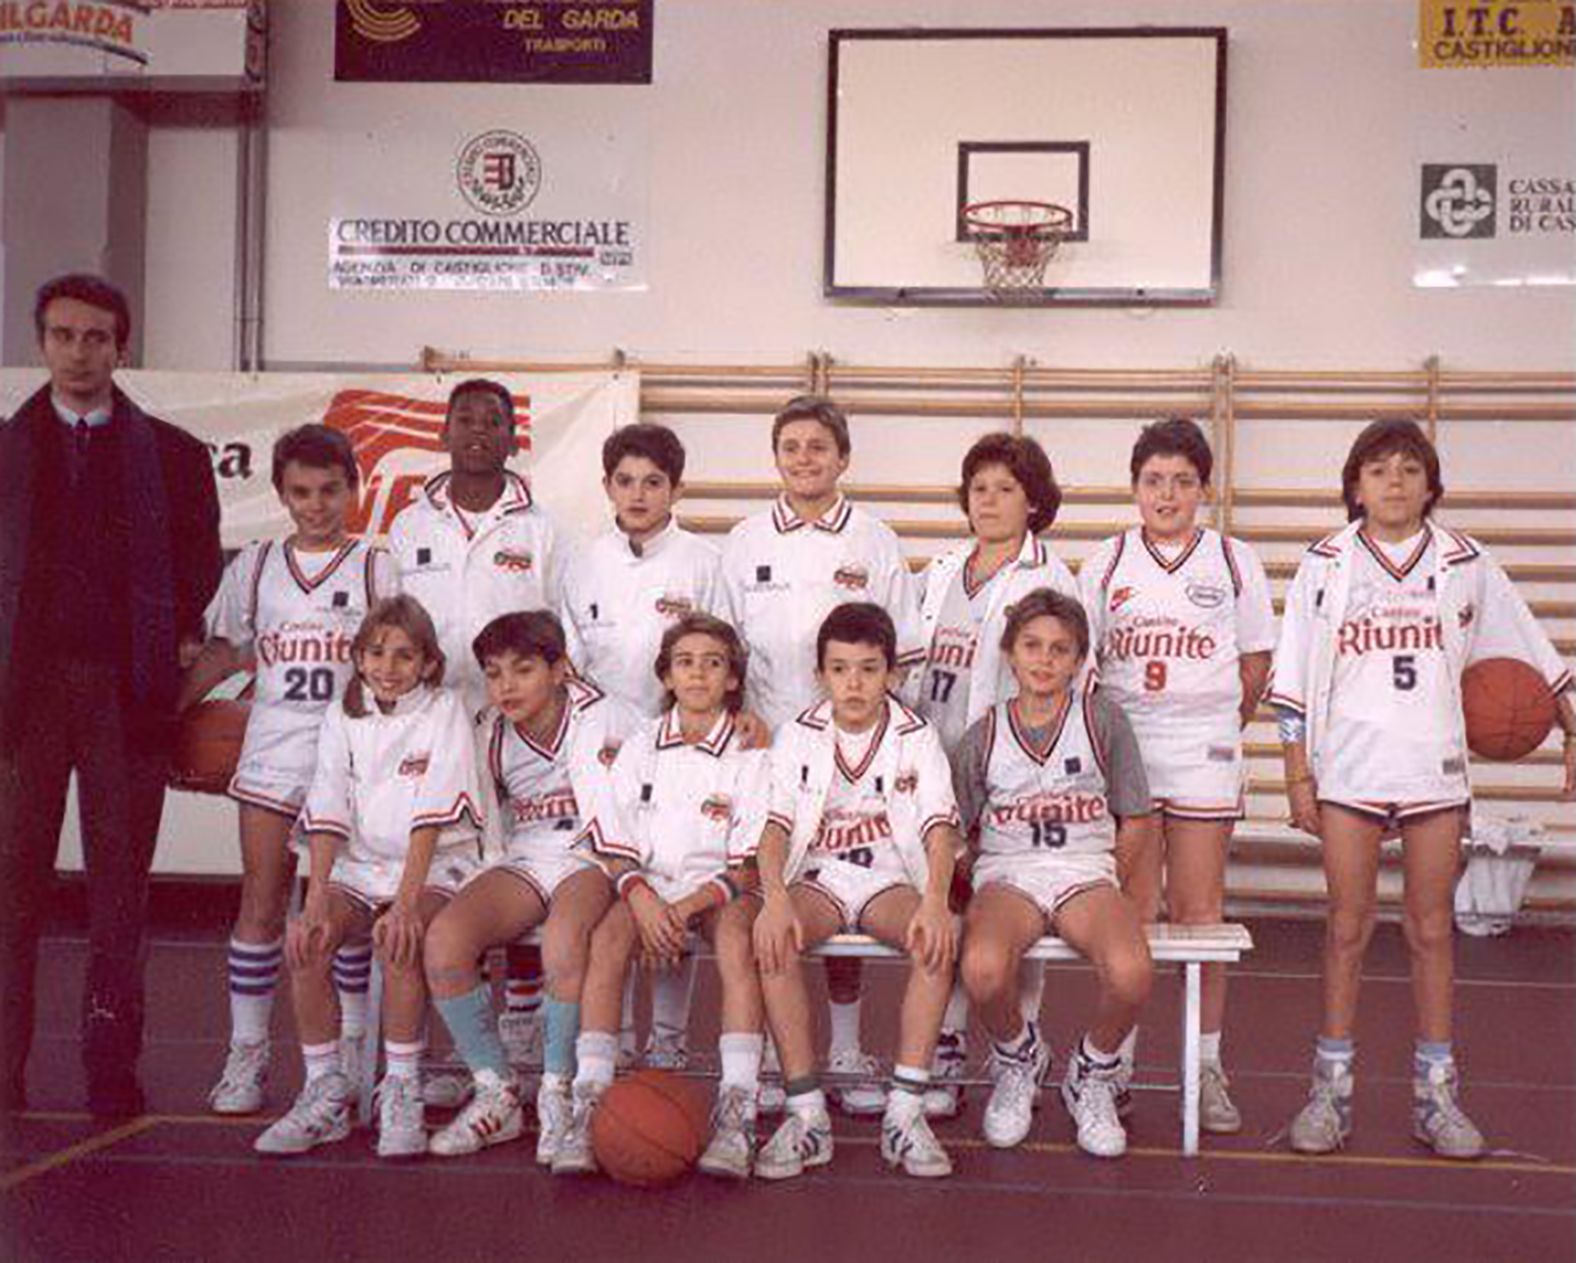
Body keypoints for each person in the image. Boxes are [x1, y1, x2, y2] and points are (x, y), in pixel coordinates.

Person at [1270, 418, 1576, 1160]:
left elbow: (1536, 655)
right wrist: (1296, 774)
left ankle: (1436, 1094)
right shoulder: (1326, 562)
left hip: (1434, 765)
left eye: (1409, 469)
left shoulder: (1468, 562)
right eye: (1379, 470)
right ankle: (1329, 1089)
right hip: (1348, 767)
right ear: (1355, 486)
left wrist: (1572, 727)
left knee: (1431, 928)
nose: (1395, 482)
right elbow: (1292, 680)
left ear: (1431, 484)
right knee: (1346, 927)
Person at [0, 273, 222, 1117]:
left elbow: (198, 566)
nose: (79, 351)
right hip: (24, 698)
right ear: (41, 343)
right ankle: (2, 1065)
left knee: (118, 891)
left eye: (96, 337)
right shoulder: (6, 448)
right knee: (10, 884)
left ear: (121, 347)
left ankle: (110, 1064)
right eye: (63, 335)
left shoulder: (172, 454)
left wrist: (159, 659)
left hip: (125, 696)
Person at [182, 425, 399, 1115]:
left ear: (353, 490)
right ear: (281, 494)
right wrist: (165, 714)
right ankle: (247, 1052)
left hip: (352, 758)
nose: (316, 504)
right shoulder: (256, 564)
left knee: (346, 911)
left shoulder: (376, 565)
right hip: (273, 751)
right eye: (301, 492)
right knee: (262, 901)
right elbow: (223, 651)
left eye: (330, 490)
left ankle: (354, 1054)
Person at [720, 394, 924, 1115]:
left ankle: (844, 1045)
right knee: (772, 897)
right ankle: (779, 1051)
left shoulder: (874, 539)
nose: (804, 458)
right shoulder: (744, 540)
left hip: (856, 747)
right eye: (791, 446)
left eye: (818, 446)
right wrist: (737, 706)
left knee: (851, 888)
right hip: (770, 748)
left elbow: (906, 653)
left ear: (843, 457)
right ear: (776, 457)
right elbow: (724, 646)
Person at [1078, 417, 1275, 1133]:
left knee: (1200, 912)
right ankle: (1115, 1062)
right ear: (1134, 487)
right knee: (1132, 911)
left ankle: (1206, 1063)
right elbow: (1082, 662)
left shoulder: (1232, 560)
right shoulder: (1105, 561)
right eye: (1154, 480)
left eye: (1182, 482)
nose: (1167, 494)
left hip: (1201, 747)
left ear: (1204, 489)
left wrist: (1219, 721)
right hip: (1128, 744)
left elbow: (1256, 660)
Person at [254, 596, 484, 1157]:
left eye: (405, 656)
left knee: (398, 938)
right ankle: (326, 1089)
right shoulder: (343, 713)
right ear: (357, 657)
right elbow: (328, 803)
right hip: (360, 866)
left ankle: (400, 1086)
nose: (388, 666)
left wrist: (405, 904)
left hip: (436, 865)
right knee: (305, 941)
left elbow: (433, 815)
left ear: (429, 664)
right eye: (376, 652)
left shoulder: (444, 709)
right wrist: (314, 898)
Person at [387, 377, 565, 1069]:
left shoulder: (542, 529)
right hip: (429, 728)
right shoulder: (408, 526)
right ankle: (456, 1043)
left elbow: (561, 632)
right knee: (444, 881)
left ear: (513, 437)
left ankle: (520, 1020)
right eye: (465, 418)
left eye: (494, 420)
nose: (479, 431)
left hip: (515, 728)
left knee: (510, 870)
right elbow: (389, 629)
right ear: (443, 431)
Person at [554, 614, 770, 1179]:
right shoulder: (641, 743)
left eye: (713, 662)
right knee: (606, 942)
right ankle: (589, 1100)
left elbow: (747, 866)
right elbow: (613, 838)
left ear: (731, 679)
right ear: (667, 676)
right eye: (685, 662)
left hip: (717, 891)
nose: (698, 673)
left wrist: (684, 909)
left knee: (737, 946)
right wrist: (646, 902)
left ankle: (738, 1109)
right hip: (647, 885)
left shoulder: (751, 753)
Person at [751, 603, 960, 1181]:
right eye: (840, 669)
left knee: (940, 939)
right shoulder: (798, 734)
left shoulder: (916, 736)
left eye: (868, 669)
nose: (854, 683)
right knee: (770, 939)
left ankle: (905, 1113)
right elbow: (774, 828)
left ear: (892, 674)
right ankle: (806, 1114)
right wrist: (772, 899)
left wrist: (938, 902)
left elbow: (939, 830)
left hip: (888, 880)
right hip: (818, 877)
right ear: (821, 673)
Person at [903, 430, 1077, 1118]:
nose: (990, 500)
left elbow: (1066, 680)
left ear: (1033, 501)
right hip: (936, 763)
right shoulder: (943, 568)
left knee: (1012, 903)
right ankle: (945, 1042)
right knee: (946, 902)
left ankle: (1020, 1043)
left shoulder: (1051, 578)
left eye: (1006, 488)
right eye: (979, 488)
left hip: (1012, 768)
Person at [423, 611, 637, 1162]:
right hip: (528, 854)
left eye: (522, 670)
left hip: (592, 855)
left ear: (560, 668)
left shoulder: (607, 715)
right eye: (494, 674)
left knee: (566, 941)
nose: (506, 686)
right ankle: (498, 1091)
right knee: (445, 943)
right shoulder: (488, 731)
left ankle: (557, 1091)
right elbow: (484, 823)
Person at [955, 588, 1155, 1159]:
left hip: (1083, 869)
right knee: (984, 969)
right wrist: (973, 890)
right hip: (1009, 872)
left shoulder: (1102, 721)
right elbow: (954, 831)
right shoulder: (983, 735)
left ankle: (1091, 1071)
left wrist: (1122, 890)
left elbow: (1135, 820)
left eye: (1060, 649)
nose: (1044, 659)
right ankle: (1020, 1057)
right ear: (1010, 654)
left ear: (1079, 659)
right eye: (1032, 646)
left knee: (1132, 971)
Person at [559, 423, 729, 1071]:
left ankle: (667, 1035)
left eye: (653, 482)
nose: (638, 493)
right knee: (622, 896)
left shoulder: (703, 563)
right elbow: (570, 663)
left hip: (683, 749)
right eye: (625, 480)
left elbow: (719, 656)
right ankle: (616, 1041)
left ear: (676, 489)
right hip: (603, 753)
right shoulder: (583, 561)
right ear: (607, 486)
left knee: (671, 882)